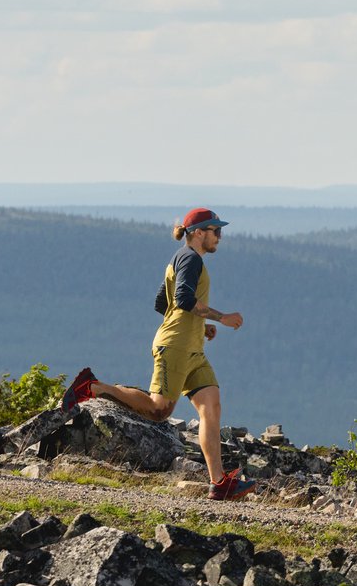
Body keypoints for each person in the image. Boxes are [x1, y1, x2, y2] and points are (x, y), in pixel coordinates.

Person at [60, 207, 255, 500]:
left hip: (192, 349)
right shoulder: (190, 258)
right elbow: (184, 299)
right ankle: (93, 386)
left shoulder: (182, 259)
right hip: (175, 346)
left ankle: (219, 483)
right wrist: (220, 317)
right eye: (216, 231)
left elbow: (161, 303)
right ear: (198, 233)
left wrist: (199, 328)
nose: (220, 237)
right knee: (158, 410)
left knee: (211, 406)